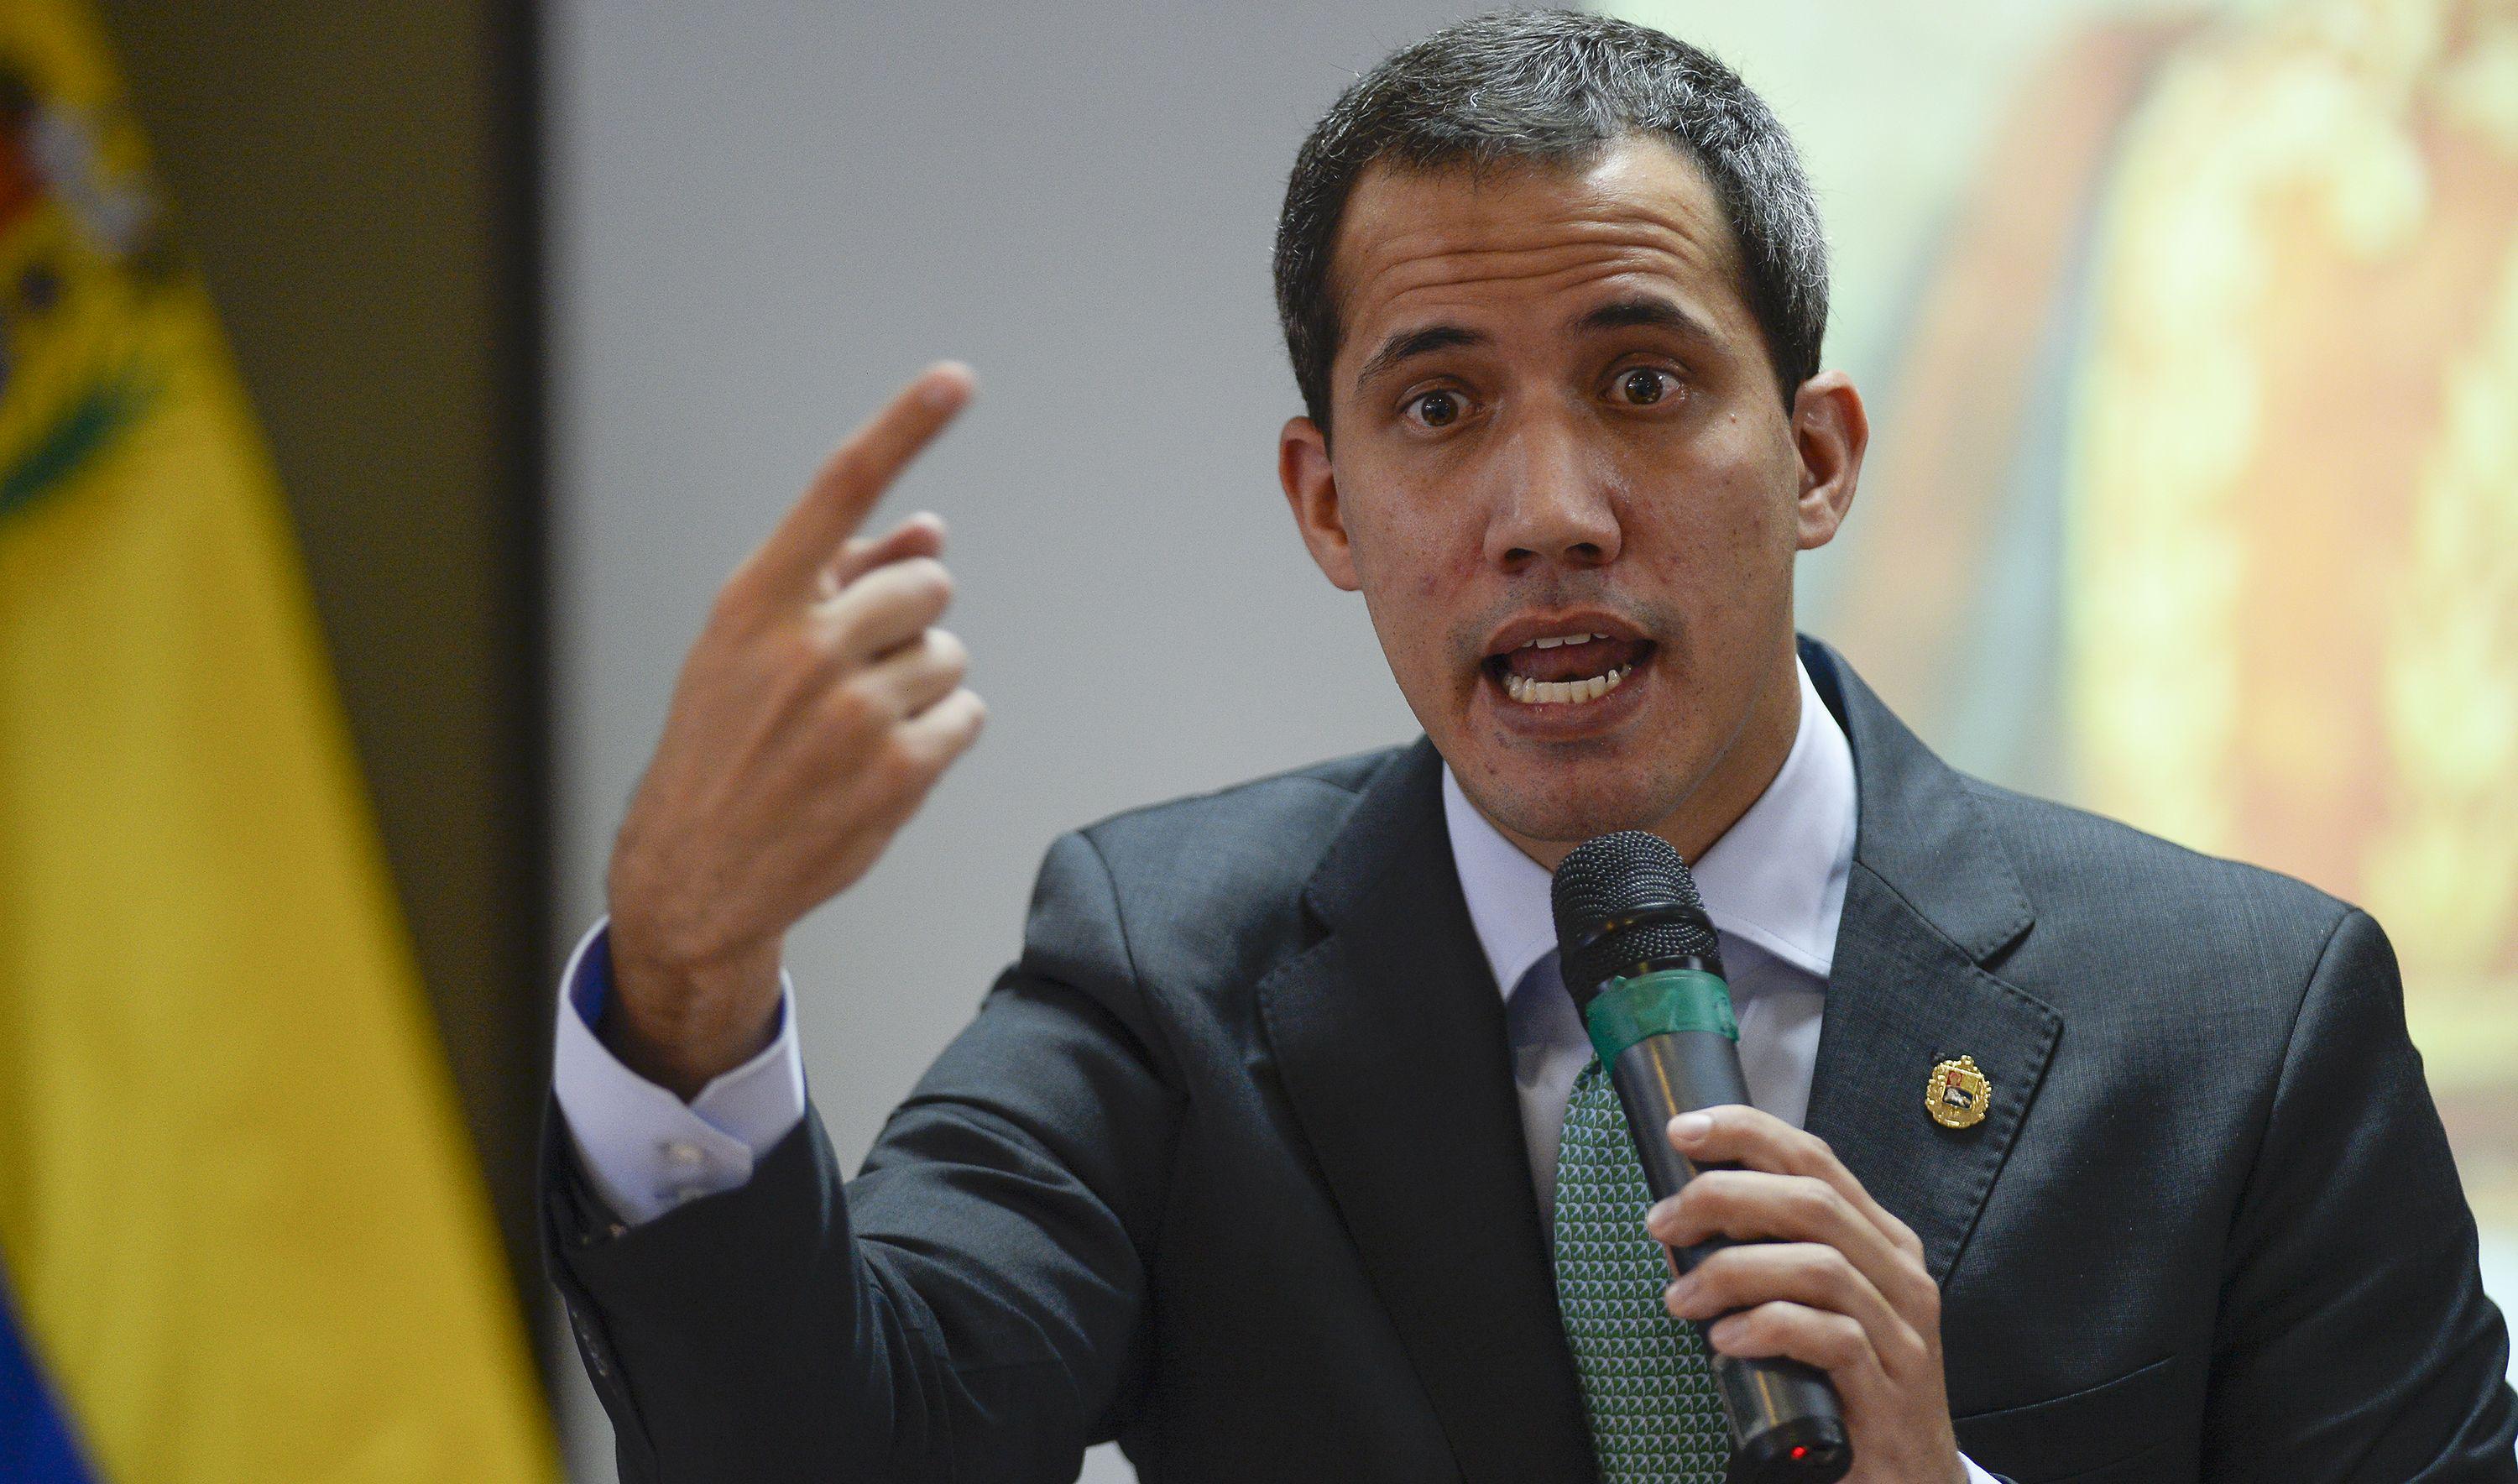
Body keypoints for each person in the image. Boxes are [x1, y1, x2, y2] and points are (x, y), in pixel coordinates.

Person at [542, 13, 2518, 1483]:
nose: (1549, 505)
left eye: (1644, 383)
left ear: (1817, 457)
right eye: (1439, 409)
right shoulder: (1164, 968)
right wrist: (694, 980)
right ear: (1326, 506)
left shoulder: (2245, 1019)